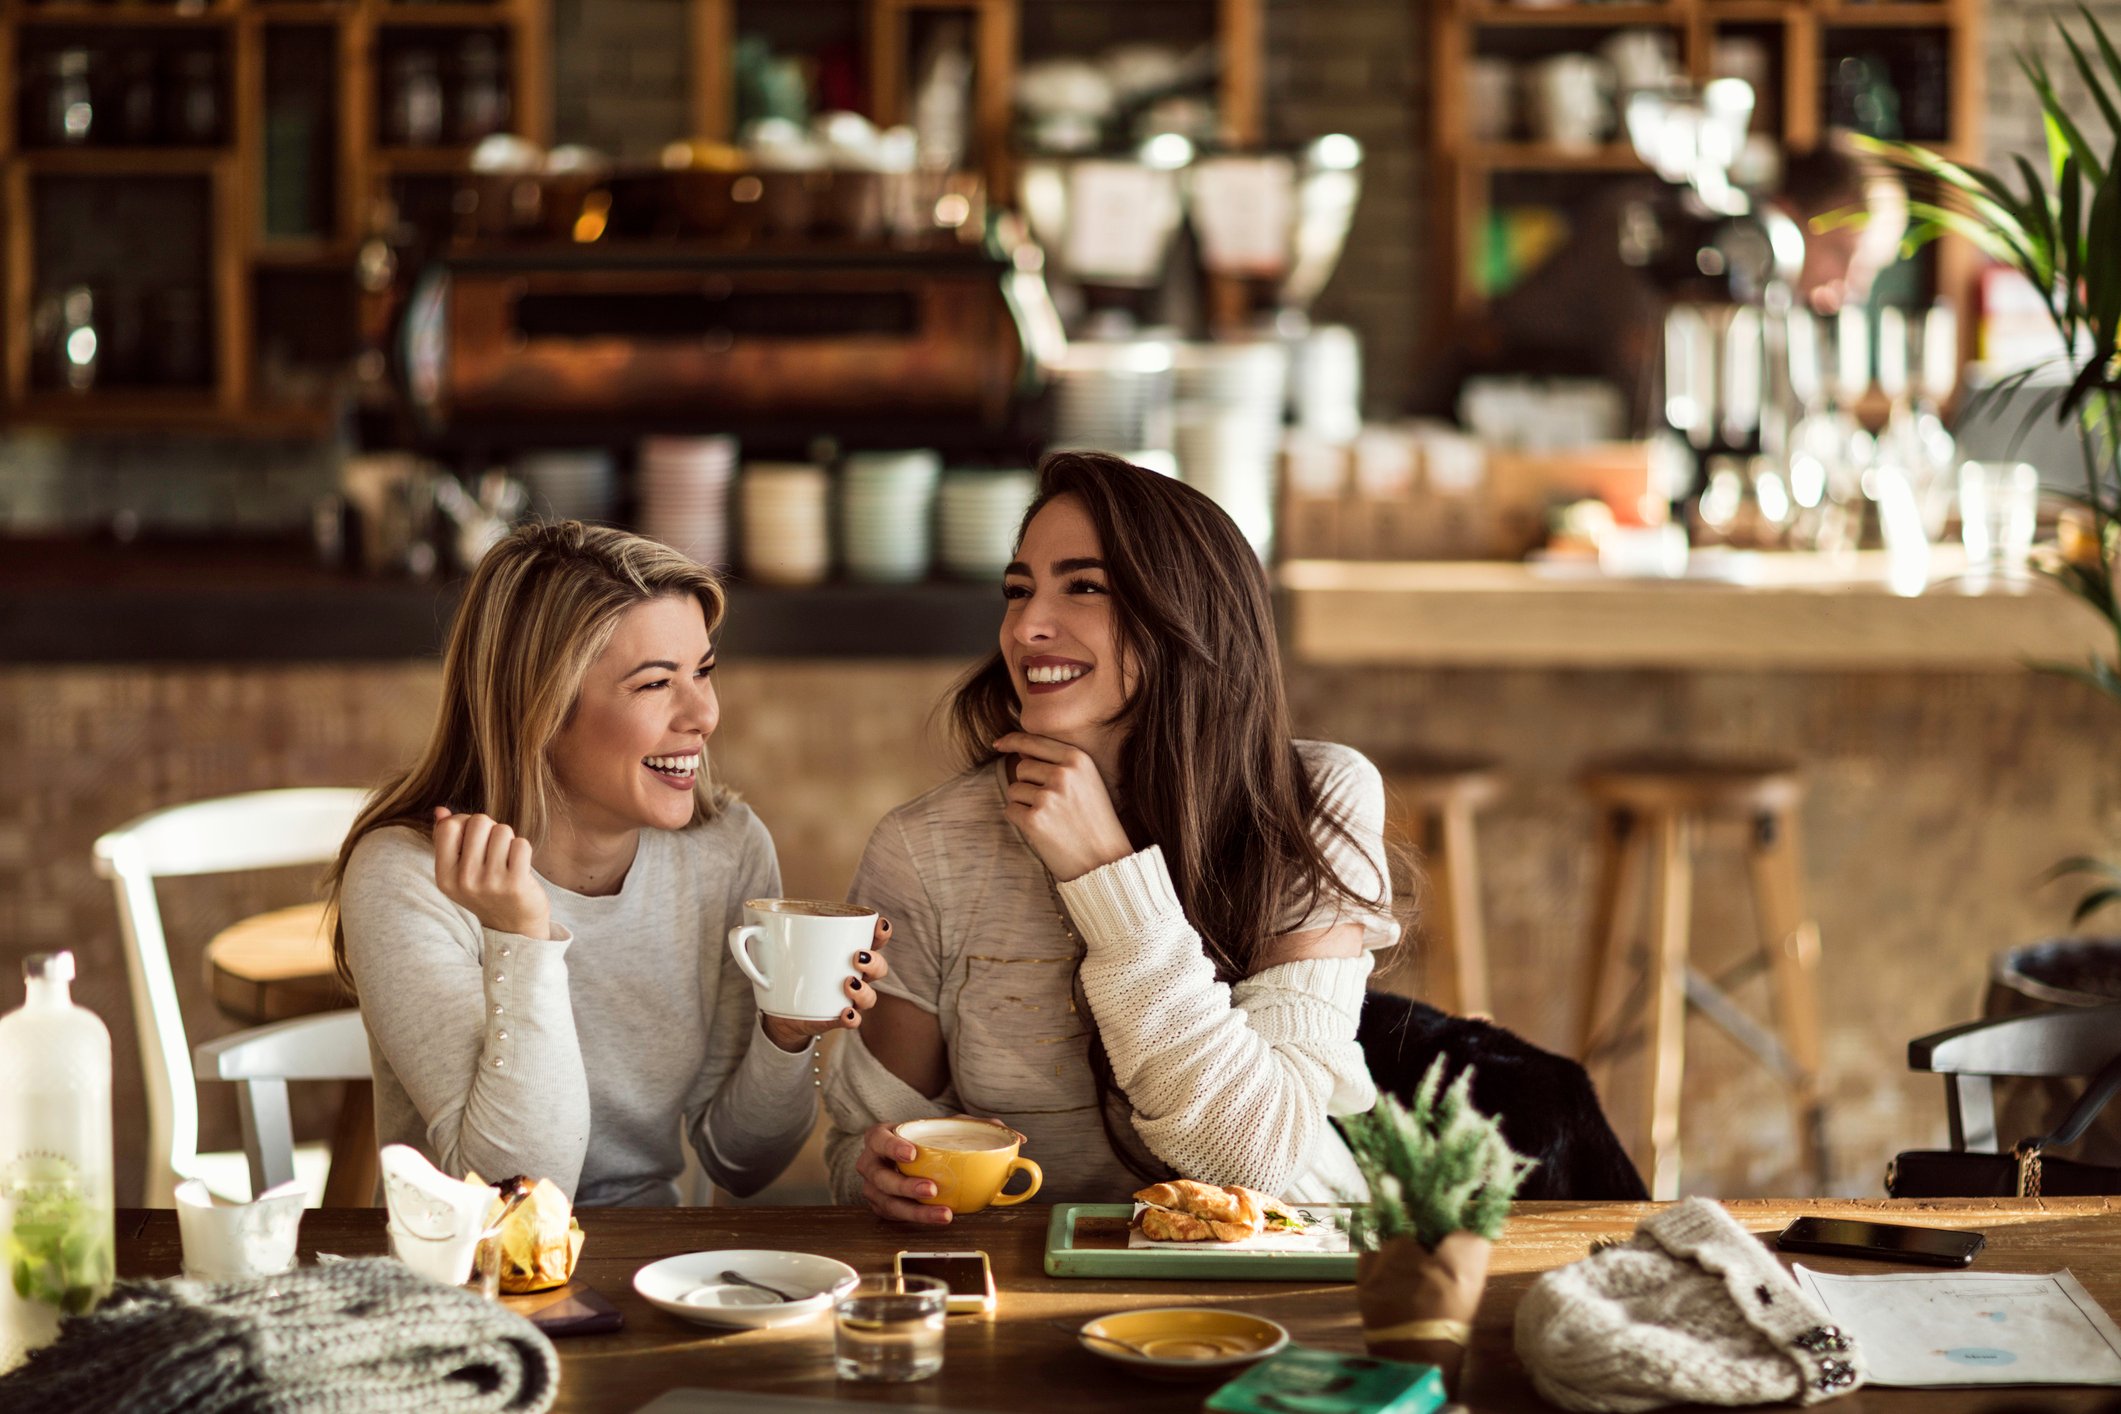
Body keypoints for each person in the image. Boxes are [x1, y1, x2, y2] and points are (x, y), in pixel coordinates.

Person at [824, 452, 1401, 1223]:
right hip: (1029, 1282)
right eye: (1018, 590)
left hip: (1286, 1274)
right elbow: (859, 1148)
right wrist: (877, 1174)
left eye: (1084, 587)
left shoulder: (1311, 802)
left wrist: (1106, 874)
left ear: (1186, 615)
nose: (1026, 627)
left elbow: (1256, 1159)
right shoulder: (926, 848)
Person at [329, 521, 888, 1206]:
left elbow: (743, 1163)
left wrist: (786, 1034)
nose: (704, 714)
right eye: (655, 684)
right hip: (471, 1278)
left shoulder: (725, 850)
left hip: (655, 1270)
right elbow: (519, 1191)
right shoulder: (412, 876)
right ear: (537, 707)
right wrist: (522, 939)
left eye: (703, 671)